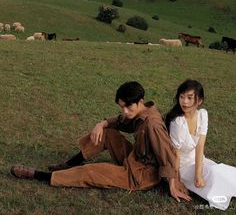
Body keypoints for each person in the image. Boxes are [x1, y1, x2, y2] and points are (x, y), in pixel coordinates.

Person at [11, 81, 191, 202]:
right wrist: (101, 124)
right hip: (134, 158)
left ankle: (40, 175)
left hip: (140, 176)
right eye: (122, 107)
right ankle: (66, 165)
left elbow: (166, 154)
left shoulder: (152, 123)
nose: (126, 111)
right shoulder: (142, 112)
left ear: (140, 101)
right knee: (108, 133)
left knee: (91, 172)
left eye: (128, 106)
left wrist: (173, 184)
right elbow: (121, 122)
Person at [165, 79, 236, 210]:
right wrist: (175, 181)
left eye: (189, 98)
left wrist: (198, 174)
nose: (184, 102)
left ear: (199, 100)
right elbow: (175, 155)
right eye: (181, 97)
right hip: (183, 167)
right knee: (213, 174)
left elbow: (200, 146)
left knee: (221, 171)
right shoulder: (178, 122)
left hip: (199, 160)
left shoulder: (202, 115)